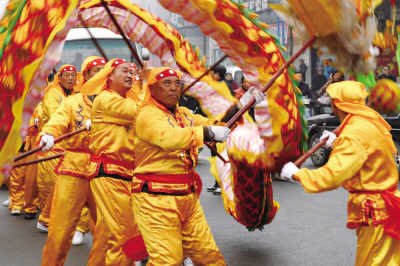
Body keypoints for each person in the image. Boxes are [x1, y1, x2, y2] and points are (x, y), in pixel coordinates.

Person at [280, 81, 400, 266]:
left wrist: (297, 173)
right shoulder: (366, 120)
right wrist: (336, 143)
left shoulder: (353, 132)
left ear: (337, 104)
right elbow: (366, 153)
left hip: (375, 211)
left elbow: (332, 176)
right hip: (383, 206)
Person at [131, 67, 232, 265]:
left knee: (209, 256)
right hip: (156, 199)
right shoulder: (147, 115)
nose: (173, 88)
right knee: (167, 260)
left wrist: (245, 103)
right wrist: (207, 133)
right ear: (153, 89)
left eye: (177, 84)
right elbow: (169, 138)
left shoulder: (184, 114)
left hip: (188, 198)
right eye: (166, 83)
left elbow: (216, 124)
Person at [40, 56, 107, 266]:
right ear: (85, 75)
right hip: (73, 171)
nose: (100, 75)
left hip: (105, 173)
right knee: (59, 231)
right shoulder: (72, 102)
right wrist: (48, 134)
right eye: (95, 70)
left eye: (104, 71)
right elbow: (57, 120)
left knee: (111, 230)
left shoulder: (117, 103)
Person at [80, 58, 147, 265]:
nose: (130, 75)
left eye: (132, 72)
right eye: (124, 71)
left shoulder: (126, 97)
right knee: (123, 236)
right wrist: (149, 88)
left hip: (126, 174)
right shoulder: (106, 99)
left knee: (111, 232)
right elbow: (141, 113)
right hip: (110, 172)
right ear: (109, 77)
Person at [36, 64, 78, 232]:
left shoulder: (78, 94)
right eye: (66, 75)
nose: (70, 78)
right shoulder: (51, 94)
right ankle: (46, 219)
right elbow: (57, 117)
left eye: (73, 75)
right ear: (59, 78)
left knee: (67, 189)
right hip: (51, 145)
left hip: (70, 148)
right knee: (50, 185)